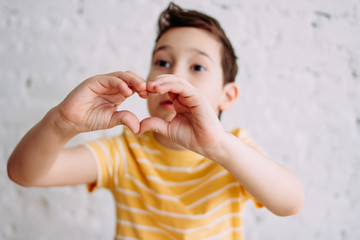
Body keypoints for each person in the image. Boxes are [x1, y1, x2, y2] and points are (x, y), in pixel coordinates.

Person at [7, 2, 304, 240]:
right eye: (162, 62)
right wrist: (62, 122)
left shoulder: (235, 151)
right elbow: (24, 174)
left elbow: (290, 203)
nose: (174, 76)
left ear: (228, 96)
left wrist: (219, 147)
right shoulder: (125, 153)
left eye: (197, 66)